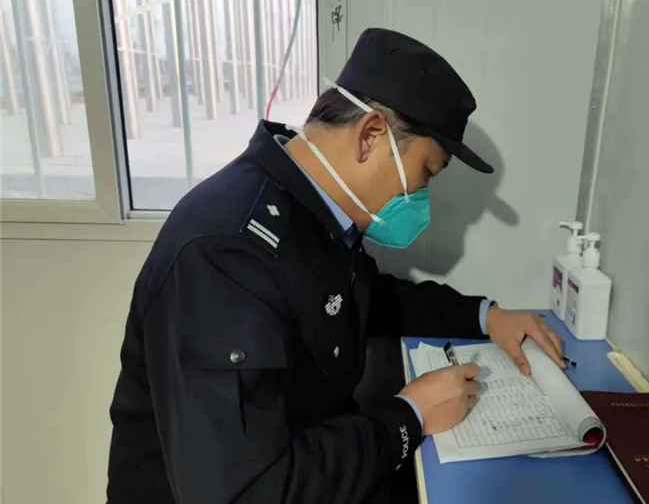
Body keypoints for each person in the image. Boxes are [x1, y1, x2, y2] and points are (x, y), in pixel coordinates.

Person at [106, 28, 564, 504]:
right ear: (370, 135)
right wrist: (410, 416)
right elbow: (248, 491)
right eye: (426, 172)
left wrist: (485, 315)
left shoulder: (311, 211)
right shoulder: (226, 255)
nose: (422, 198)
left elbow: (365, 297)